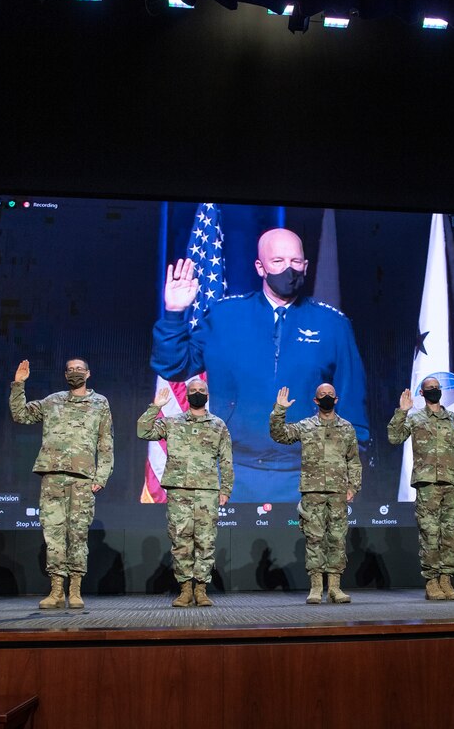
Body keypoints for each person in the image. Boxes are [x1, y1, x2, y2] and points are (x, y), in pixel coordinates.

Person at [151, 227, 368, 502]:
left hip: (306, 474)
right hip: (230, 471)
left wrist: (351, 470)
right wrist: (174, 313)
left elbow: (352, 402)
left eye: (295, 261)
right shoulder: (225, 315)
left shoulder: (333, 325)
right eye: (277, 261)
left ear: (306, 266)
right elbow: (174, 366)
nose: (288, 269)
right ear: (260, 267)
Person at [10, 358, 113, 609]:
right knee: (54, 534)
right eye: (70, 369)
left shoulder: (100, 403)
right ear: (65, 374)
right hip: (52, 476)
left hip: (82, 478)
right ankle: (56, 590)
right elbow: (20, 415)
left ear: (88, 373)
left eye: (79, 369)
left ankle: (75, 590)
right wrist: (18, 385)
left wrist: (102, 476)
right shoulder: (52, 400)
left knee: (77, 534)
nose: (75, 372)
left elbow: (106, 441)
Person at [136, 379, 233, 608]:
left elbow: (226, 461)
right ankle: (185, 589)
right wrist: (156, 406)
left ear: (208, 395)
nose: (197, 393)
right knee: (181, 541)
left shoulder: (218, 425)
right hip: (179, 491)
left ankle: (201, 589)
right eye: (193, 391)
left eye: (201, 390)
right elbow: (143, 431)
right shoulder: (172, 422)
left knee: (205, 542)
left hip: (207, 492)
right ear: (186, 395)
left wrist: (226, 488)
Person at [269, 383, 361, 604]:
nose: (327, 398)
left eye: (330, 395)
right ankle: (316, 587)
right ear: (316, 400)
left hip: (338, 491)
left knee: (337, 539)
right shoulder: (306, 426)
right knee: (314, 539)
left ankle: (335, 588)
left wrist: (353, 486)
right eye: (323, 395)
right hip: (312, 491)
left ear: (336, 399)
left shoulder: (347, 428)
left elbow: (354, 461)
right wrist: (279, 410)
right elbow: (280, 435)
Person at [387, 376, 454, 600]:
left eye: (437, 387)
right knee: (430, 534)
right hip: (427, 484)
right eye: (429, 388)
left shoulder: (451, 418)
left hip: (451, 483)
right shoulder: (416, 418)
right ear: (422, 393)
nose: (434, 390)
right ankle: (432, 581)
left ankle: (447, 579)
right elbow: (394, 438)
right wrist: (402, 412)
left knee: (451, 534)